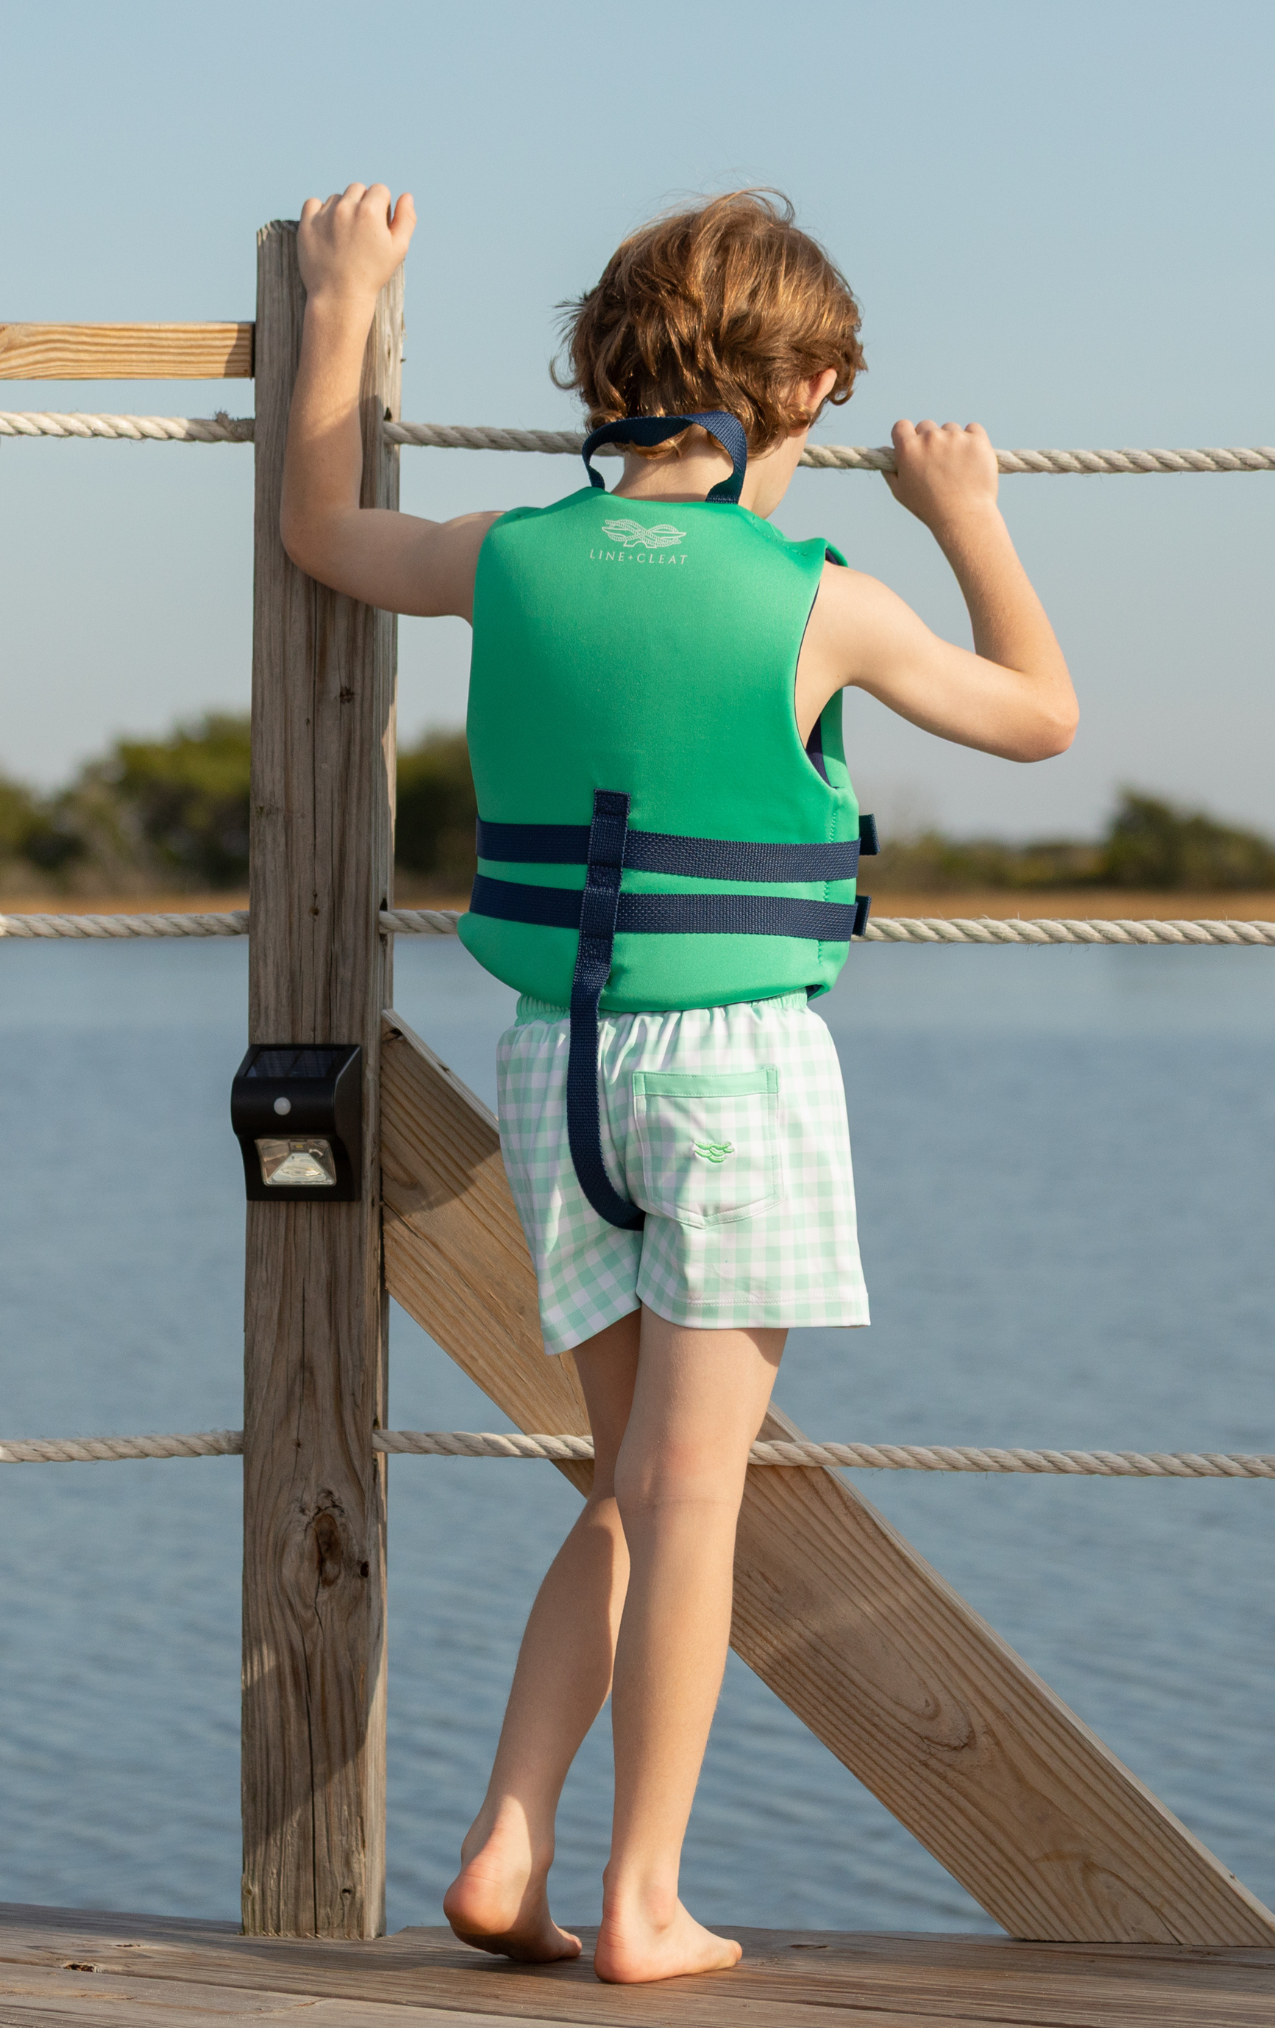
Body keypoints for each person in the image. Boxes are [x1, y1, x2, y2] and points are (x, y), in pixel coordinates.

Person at [281, 182, 1075, 1983]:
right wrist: (969, 516)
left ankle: (508, 1840)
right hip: (734, 1072)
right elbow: (1044, 714)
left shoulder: (509, 555)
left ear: (605, 375)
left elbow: (323, 528)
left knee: (625, 1486)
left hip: (560, 1063)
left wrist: (345, 300)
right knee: (692, 1493)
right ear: (810, 394)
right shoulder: (823, 596)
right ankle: (647, 1900)